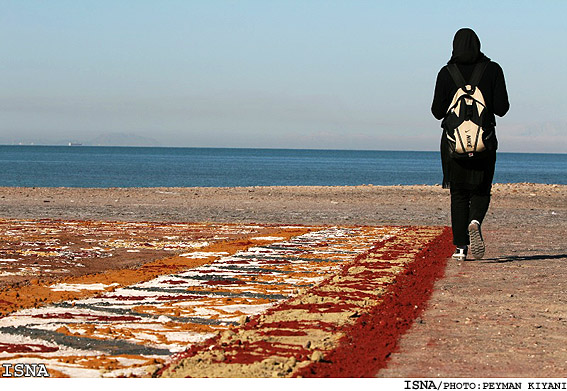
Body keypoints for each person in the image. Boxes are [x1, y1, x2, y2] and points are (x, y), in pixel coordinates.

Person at [431, 28, 509, 261]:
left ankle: (461, 249)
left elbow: (436, 112)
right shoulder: (493, 70)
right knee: (482, 189)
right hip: (484, 142)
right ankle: (475, 221)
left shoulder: (446, 72)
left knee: (459, 194)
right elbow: (502, 109)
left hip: (454, 146)